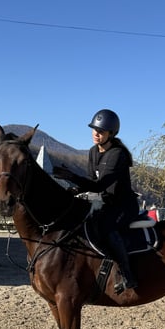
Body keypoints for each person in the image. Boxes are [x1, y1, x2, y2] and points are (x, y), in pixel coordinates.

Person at [53, 109, 139, 293]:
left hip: (124, 205)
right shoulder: (93, 152)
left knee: (107, 227)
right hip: (106, 203)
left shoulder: (117, 154)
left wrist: (73, 177)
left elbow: (100, 186)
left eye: (101, 131)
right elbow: (91, 183)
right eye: (94, 129)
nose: (96, 133)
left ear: (111, 133)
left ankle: (127, 275)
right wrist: (73, 188)